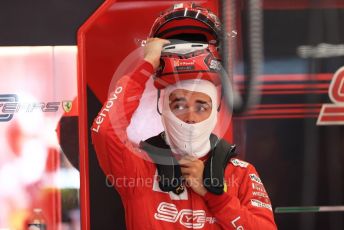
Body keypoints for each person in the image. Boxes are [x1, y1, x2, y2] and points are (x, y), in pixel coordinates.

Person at [91, 3, 277, 229]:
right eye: (179, 105)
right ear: (162, 107)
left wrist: (215, 196)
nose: (190, 116)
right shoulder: (139, 168)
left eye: (201, 106)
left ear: (216, 109)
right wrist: (147, 64)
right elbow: (104, 130)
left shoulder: (240, 173)